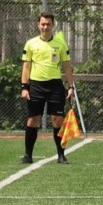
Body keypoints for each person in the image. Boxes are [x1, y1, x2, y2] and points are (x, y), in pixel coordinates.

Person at [19, 11, 76, 164]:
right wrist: (25, 87)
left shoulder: (60, 44)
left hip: (55, 86)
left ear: (53, 25)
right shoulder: (31, 44)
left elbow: (67, 67)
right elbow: (26, 66)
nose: (45, 27)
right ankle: (27, 155)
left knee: (57, 120)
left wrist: (71, 87)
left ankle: (61, 155)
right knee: (33, 120)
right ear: (38, 25)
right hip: (36, 86)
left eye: (48, 24)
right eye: (43, 24)